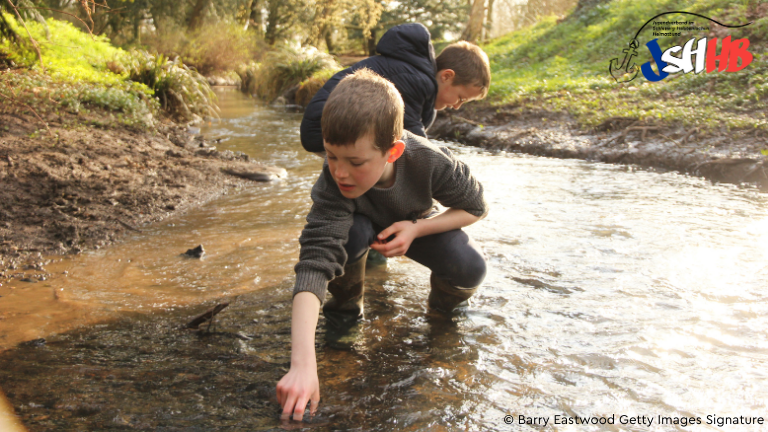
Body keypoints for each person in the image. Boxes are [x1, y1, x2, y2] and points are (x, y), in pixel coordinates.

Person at [276, 68, 488, 421]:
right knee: (351, 235)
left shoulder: (431, 161)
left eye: (355, 162)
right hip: (358, 227)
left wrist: (417, 229)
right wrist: (302, 364)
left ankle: (441, 319)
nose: (339, 172)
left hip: (410, 223)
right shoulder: (334, 182)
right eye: (331, 155)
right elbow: (314, 262)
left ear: (393, 151)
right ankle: (345, 316)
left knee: (471, 266)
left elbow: (476, 207)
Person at [300, 23, 492, 157]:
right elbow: (415, 144)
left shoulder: (422, 88)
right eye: (461, 98)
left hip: (341, 127)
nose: (457, 107)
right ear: (446, 76)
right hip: (324, 128)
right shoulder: (417, 81)